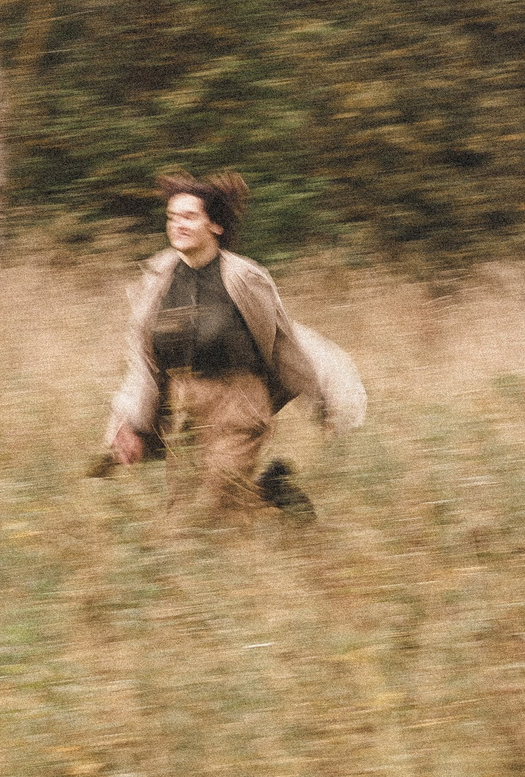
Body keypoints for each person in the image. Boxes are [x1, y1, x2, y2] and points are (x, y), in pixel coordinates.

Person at [96, 169, 364, 518]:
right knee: (183, 507)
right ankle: (272, 494)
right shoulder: (159, 275)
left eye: (190, 216)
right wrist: (131, 422)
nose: (178, 224)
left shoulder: (243, 277)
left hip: (239, 403)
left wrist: (322, 399)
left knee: (210, 506)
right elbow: (145, 360)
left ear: (215, 226)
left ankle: (266, 501)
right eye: (172, 217)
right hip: (185, 405)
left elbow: (283, 342)